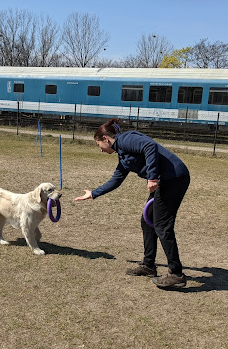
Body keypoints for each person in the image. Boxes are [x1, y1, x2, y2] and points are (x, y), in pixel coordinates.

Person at [74, 118, 190, 289]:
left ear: (106, 139)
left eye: (99, 145)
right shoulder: (123, 155)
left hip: (173, 178)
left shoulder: (126, 139)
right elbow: (116, 180)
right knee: (147, 221)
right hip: (164, 180)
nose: (100, 150)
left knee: (162, 226)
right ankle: (149, 265)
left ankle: (176, 274)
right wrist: (93, 193)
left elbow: (149, 146)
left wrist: (152, 177)